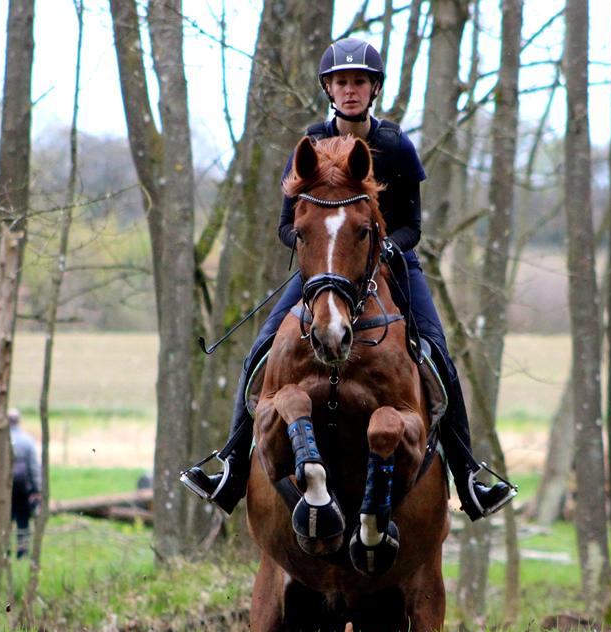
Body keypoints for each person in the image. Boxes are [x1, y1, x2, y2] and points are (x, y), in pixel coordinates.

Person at [180, 37, 516, 521]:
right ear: (328, 89)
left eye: (359, 81)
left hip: (391, 264)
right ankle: (231, 466)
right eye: (341, 82)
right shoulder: (311, 144)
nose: (350, 89)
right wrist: (317, 248)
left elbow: (413, 226)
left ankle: (468, 476)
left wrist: (382, 248)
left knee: (438, 353)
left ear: (373, 88)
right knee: (261, 349)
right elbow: (284, 224)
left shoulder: (395, 145)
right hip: (325, 269)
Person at [9, 409, 42, 559]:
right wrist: (37, 489)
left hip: (3, 488)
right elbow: (34, 467)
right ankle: (22, 552)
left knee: (4, 521)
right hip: (23, 488)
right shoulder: (27, 440)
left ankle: (5, 550)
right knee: (23, 521)